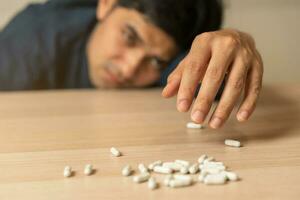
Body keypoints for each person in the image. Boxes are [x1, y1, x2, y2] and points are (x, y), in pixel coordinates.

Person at [0, 0, 263, 129]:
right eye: (129, 36)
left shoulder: (173, 59)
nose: (129, 70)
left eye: (155, 60)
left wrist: (239, 45)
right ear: (106, 4)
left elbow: (216, 89)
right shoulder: (31, 40)